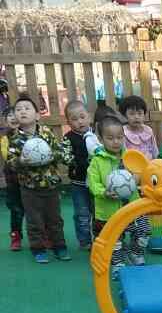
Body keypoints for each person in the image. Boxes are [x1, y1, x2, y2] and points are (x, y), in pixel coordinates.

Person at [6, 95, 72, 263]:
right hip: (29, 188)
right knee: (34, 220)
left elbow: (58, 151)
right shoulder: (15, 139)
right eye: (18, 109)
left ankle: (59, 246)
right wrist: (21, 161)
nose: (22, 111)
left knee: (55, 219)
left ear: (37, 115)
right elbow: (10, 162)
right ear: (15, 116)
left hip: (51, 185)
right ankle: (38, 248)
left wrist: (51, 155)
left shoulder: (46, 133)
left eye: (27, 108)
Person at [86, 114, 142, 277]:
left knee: (144, 230)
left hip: (132, 206)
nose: (116, 141)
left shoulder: (129, 156)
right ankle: (118, 265)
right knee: (115, 239)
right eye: (110, 138)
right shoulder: (97, 161)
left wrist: (137, 177)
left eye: (119, 137)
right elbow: (93, 183)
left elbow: (139, 171)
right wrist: (104, 192)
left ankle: (135, 252)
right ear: (100, 139)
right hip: (108, 210)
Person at [63, 99, 98, 250]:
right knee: (82, 213)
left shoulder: (96, 134)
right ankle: (85, 241)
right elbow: (65, 156)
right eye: (74, 119)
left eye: (82, 117)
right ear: (68, 122)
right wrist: (71, 161)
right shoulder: (68, 138)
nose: (80, 121)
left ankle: (99, 238)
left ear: (89, 116)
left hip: (97, 182)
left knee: (97, 212)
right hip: (79, 183)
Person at [1, 105, 25, 251]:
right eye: (9, 116)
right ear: (5, 121)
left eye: (15, 114)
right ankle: (16, 237)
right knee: (16, 210)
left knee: (35, 209)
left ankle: (43, 235)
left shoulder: (28, 134)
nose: (13, 118)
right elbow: (7, 156)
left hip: (30, 179)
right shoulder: (5, 138)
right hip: (13, 182)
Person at [118, 94, 158, 161]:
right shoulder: (123, 132)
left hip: (150, 164)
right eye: (132, 114)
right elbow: (123, 153)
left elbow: (154, 149)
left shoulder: (148, 130)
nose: (136, 117)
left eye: (140, 113)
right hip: (132, 165)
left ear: (144, 114)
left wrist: (156, 161)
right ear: (125, 115)